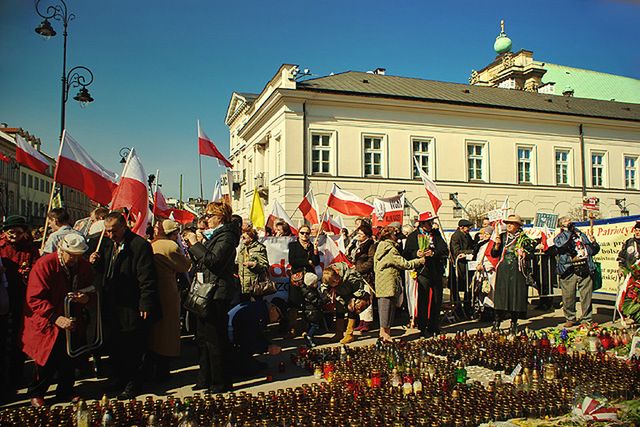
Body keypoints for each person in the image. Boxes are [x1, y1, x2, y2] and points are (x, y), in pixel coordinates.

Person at [89, 212, 159, 399]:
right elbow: (102, 273)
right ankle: (118, 377)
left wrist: (146, 302)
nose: (110, 234)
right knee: (115, 344)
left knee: (133, 346)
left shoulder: (139, 245)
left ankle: (132, 383)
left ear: (124, 226)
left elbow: (147, 277)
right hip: (111, 302)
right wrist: (95, 263)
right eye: (107, 230)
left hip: (131, 303)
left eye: (114, 231)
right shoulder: (104, 244)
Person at [22, 234, 94, 407]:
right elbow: (34, 298)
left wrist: (86, 298)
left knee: (69, 357)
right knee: (47, 359)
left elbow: (90, 287)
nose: (75, 259)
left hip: (71, 317)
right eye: (72, 254)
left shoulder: (82, 265)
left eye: (78, 255)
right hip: (47, 321)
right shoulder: (44, 265)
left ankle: (66, 390)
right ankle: (37, 392)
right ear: (62, 250)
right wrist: (55, 317)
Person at [183, 202, 240, 393]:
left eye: (209, 215)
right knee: (202, 338)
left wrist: (195, 243)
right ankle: (205, 377)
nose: (206, 219)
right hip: (204, 290)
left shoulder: (227, 236)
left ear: (220, 217)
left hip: (216, 292)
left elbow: (214, 262)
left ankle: (220, 381)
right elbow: (202, 261)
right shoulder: (215, 235)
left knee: (215, 339)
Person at [0, 215, 40, 403]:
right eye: (10, 232)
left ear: (24, 232)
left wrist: (28, 273)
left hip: (22, 298)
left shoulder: (31, 249)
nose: (13, 235)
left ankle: (16, 376)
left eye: (17, 232)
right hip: (3, 297)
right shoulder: (1, 248)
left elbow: (37, 271)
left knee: (18, 339)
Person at [147, 220, 191, 381]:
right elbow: (185, 266)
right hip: (167, 291)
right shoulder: (170, 246)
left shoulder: (151, 244)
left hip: (153, 291)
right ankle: (162, 370)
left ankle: (153, 367)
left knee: (155, 332)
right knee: (167, 332)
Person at [373, 226, 425, 342]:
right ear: (390, 236)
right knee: (388, 309)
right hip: (389, 281)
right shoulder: (390, 249)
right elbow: (404, 264)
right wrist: (419, 261)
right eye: (395, 234)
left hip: (382, 281)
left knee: (384, 308)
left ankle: (383, 333)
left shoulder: (381, 247)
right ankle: (386, 336)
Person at [403, 212, 449, 338]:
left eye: (431, 222)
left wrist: (433, 253)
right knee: (423, 301)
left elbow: (445, 250)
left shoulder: (436, 234)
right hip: (423, 272)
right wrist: (415, 254)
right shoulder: (413, 236)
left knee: (436, 300)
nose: (431, 224)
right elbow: (406, 253)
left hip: (436, 271)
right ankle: (422, 327)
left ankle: (434, 325)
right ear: (422, 224)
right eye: (428, 222)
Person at [490, 214, 536, 334]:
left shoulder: (524, 238)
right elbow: (494, 254)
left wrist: (524, 253)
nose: (509, 225)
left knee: (515, 297)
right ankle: (497, 322)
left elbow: (532, 253)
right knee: (501, 298)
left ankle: (514, 323)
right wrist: (497, 245)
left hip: (517, 271)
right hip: (503, 270)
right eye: (508, 223)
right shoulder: (502, 237)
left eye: (512, 223)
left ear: (517, 225)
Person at [552, 216, 600, 327]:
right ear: (561, 225)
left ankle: (587, 319)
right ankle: (570, 318)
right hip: (569, 268)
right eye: (565, 222)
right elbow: (561, 244)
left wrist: (594, 244)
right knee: (568, 296)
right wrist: (567, 231)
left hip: (585, 267)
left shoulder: (581, 234)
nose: (569, 223)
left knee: (586, 295)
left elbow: (592, 251)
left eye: (569, 221)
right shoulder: (560, 236)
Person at [227, 297, 284, 376]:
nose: (277, 320)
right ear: (273, 309)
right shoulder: (256, 313)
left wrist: (268, 345)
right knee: (250, 370)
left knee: (257, 366)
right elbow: (248, 339)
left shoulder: (259, 309)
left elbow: (256, 334)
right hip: (228, 341)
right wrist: (267, 348)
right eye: (279, 317)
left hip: (236, 337)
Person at [320, 262, 370, 344]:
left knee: (352, 308)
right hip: (341, 294)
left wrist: (353, 299)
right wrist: (327, 294)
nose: (335, 283)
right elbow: (323, 286)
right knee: (339, 309)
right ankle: (339, 333)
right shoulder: (327, 274)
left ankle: (349, 334)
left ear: (336, 274)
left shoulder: (351, 276)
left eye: (335, 281)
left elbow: (358, 288)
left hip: (356, 294)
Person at [287, 225, 320, 334]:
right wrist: (307, 262)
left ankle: (307, 328)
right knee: (294, 304)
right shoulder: (293, 245)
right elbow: (293, 260)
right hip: (297, 278)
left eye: (307, 233)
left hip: (309, 278)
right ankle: (293, 328)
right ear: (298, 233)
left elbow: (316, 262)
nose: (304, 235)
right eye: (302, 233)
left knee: (308, 303)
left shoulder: (311, 246)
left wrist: (315, 249)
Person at [347, 224, 376, 333]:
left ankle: (367, 322)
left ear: (367, 235)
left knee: (366, 298)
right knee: (358, 298)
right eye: (357, 234)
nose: (358, 236)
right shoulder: (357, 244)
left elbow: (371, 261)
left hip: (366, 276)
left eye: (361, 234)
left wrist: (358, 268)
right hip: (356, 276)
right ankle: (361, 320)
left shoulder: (371, 245)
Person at [449, 218, 475, 317]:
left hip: (466, 266)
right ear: (461, 227)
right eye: (467, 227)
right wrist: (470, 252)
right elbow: (456, 251)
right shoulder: (456, 236)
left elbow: (472, 246)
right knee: (456, 288)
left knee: (467, 287)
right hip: (458, 267)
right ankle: (458, 309)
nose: (469, 229)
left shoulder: (467, 236)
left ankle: (467, 308)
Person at [237, 226, 269, 300]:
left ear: (251, 238)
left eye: (244, 237)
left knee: (255, 306)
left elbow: (264, 266)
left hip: (254, 285)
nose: (242, 239)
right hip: (242, 284)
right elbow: (239, 261)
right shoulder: (242, 248)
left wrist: (253, 265)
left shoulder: (259, 248)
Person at [300, 272, 327, 347]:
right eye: (316, 282)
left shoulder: (309, 290)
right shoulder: (309, 293)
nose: (317, 284)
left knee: (311, 325)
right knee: (314, 326)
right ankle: (309, 336)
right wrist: (325, 299)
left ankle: (310, 337)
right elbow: (316, 302)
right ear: (311, 284)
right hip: (312, 312)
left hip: (311, 311)